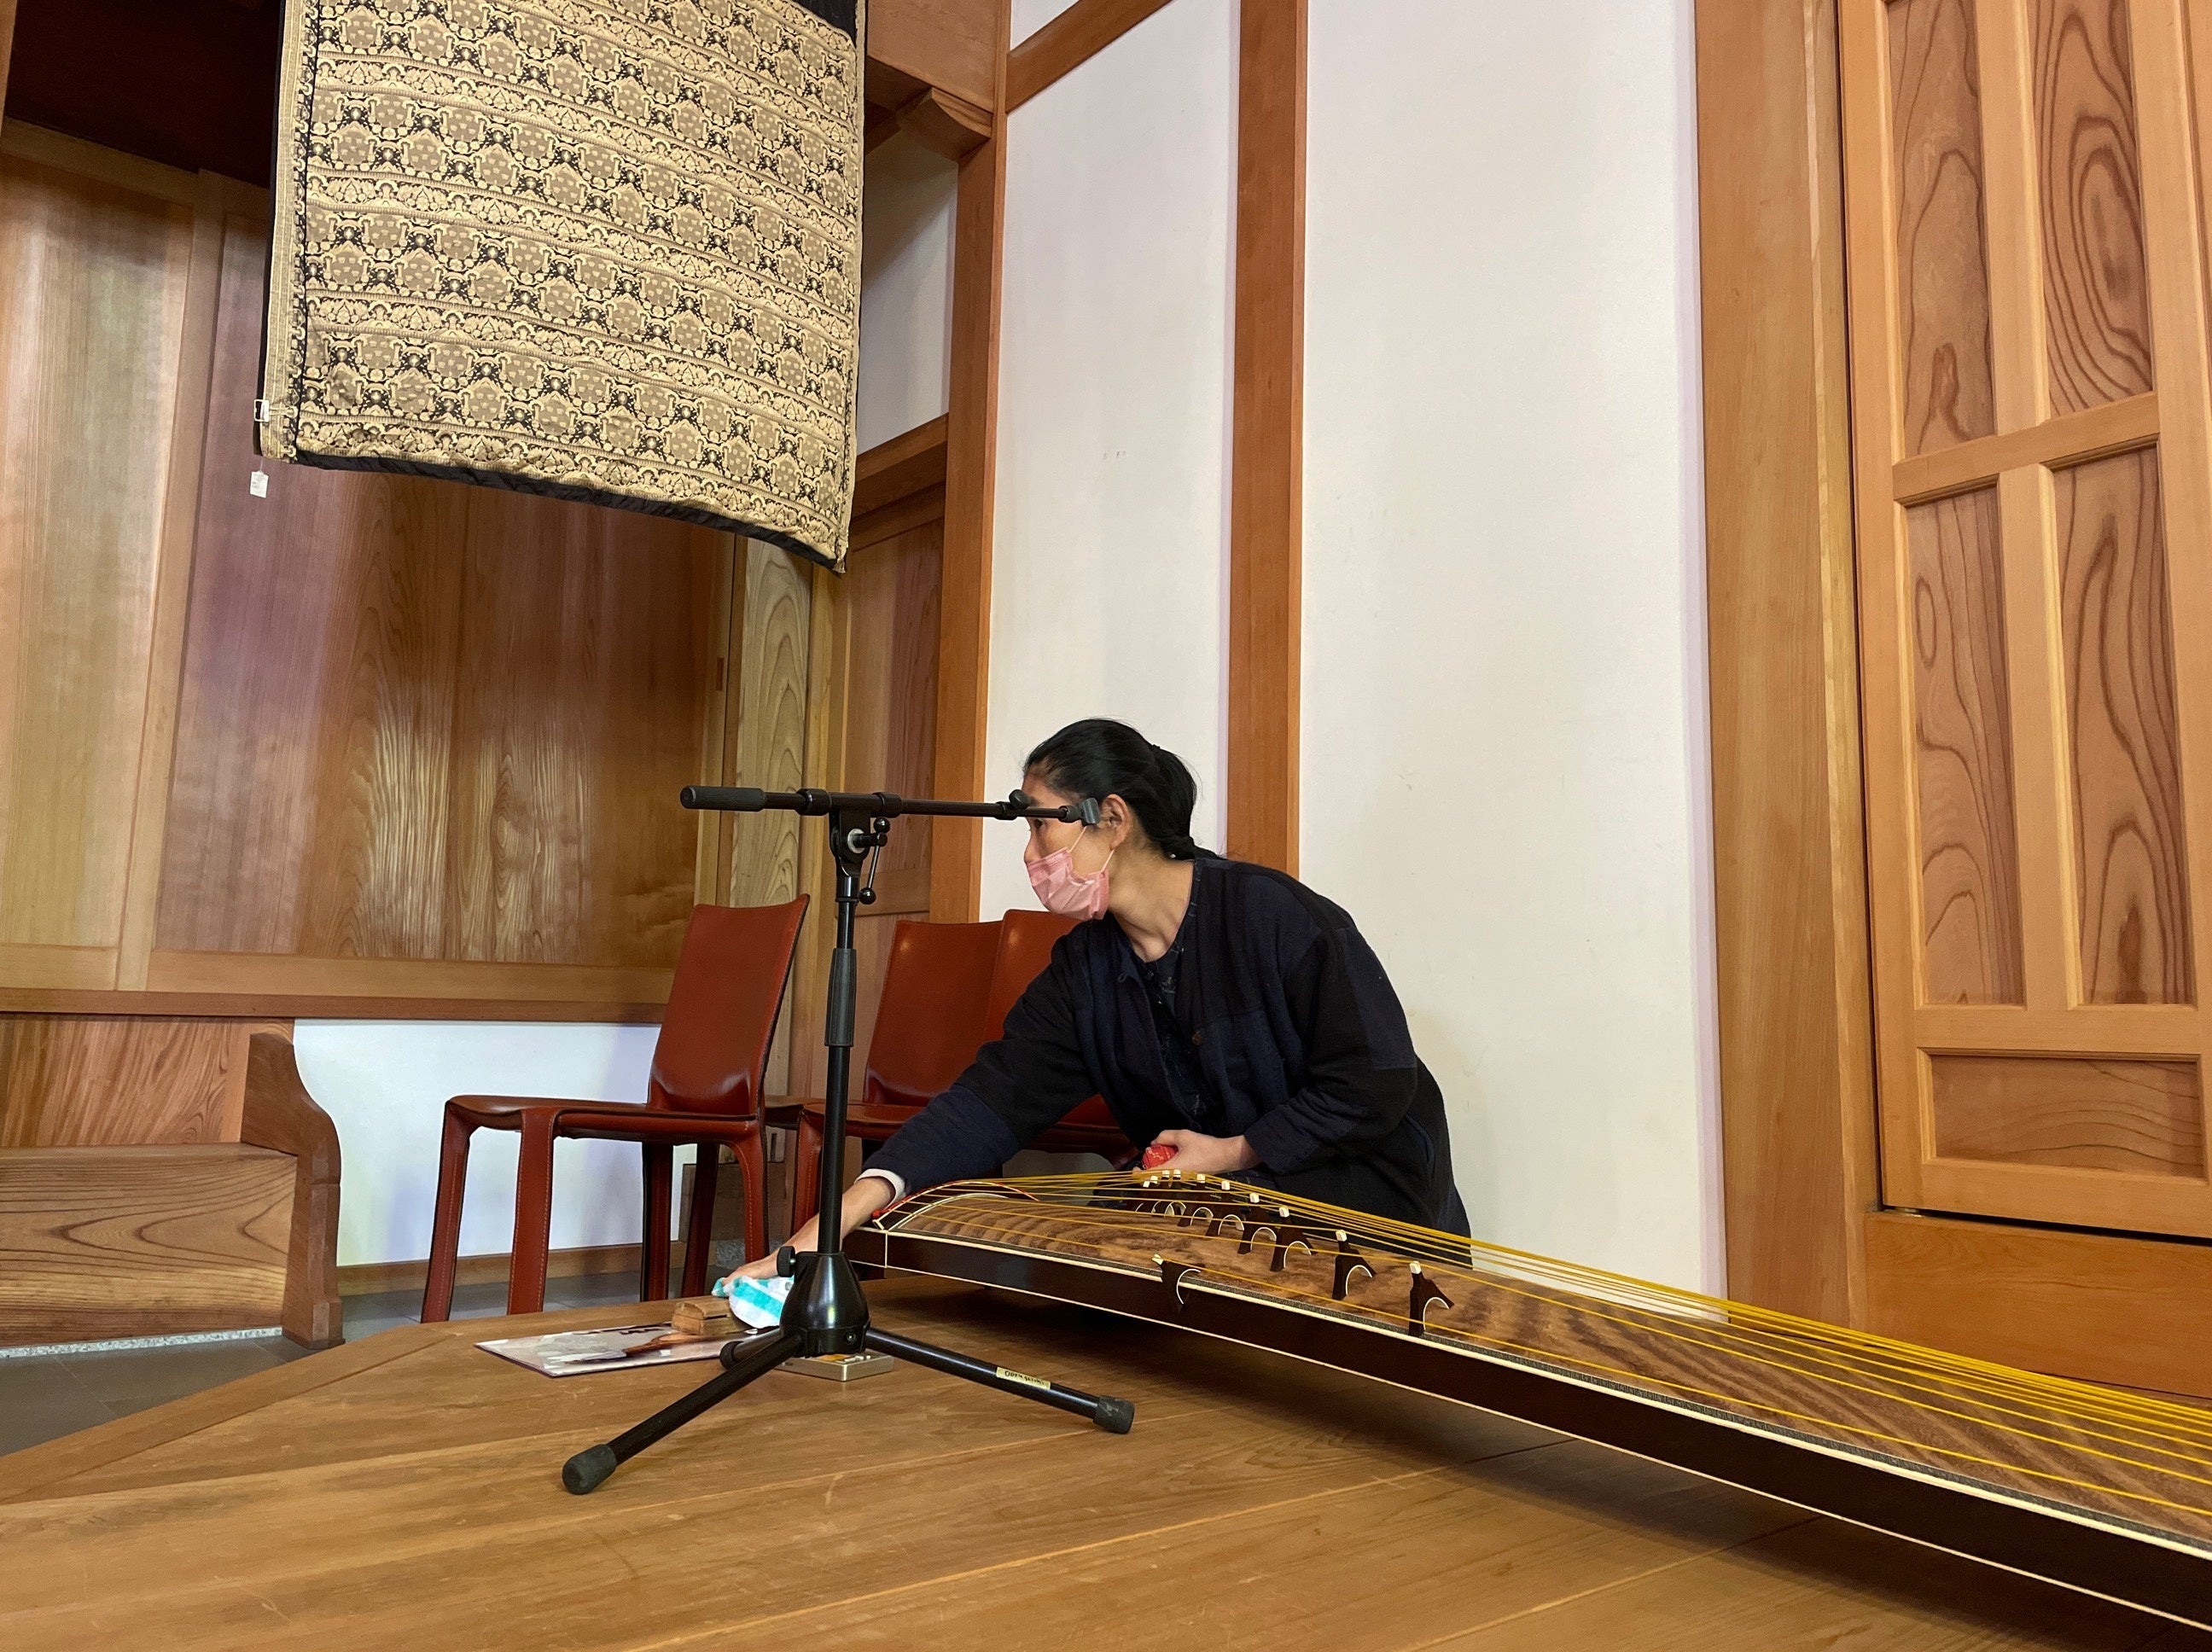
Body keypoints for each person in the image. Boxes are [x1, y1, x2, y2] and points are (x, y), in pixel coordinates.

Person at [725, 718, 1467, 1285]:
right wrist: (838, 1219)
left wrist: (1236, 1151)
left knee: (1138, 1231)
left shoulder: (1273, 916)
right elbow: (990, 1101)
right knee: (1094, 1240)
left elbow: (1375, 1081)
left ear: (1112, 818)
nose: (1030, 853)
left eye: (1040, 824)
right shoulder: (1084, 968)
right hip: (1225, 1202)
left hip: (1359, 1193)